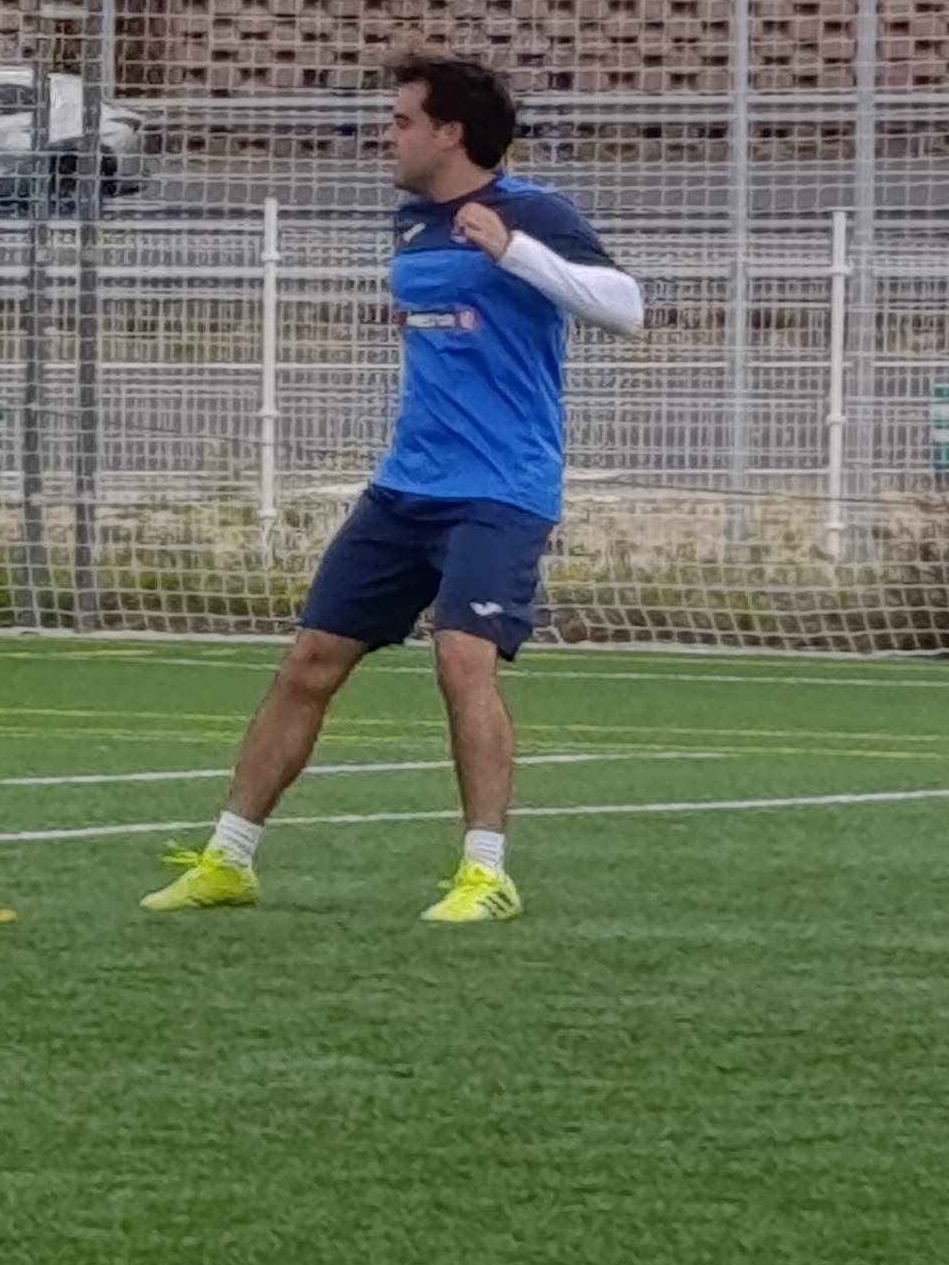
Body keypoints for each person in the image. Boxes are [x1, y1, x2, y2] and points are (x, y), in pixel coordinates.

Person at [145, 52, 642, 925]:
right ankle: (228, 859)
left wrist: (515, 251)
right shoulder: (413, 224)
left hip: (500, 489)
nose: (388, 134)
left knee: (462, 659)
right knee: (309, 662)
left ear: (450, 132)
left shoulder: (531, 212)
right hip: (406, 486)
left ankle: (486, 873)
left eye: (403, 120)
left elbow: (625, 307)